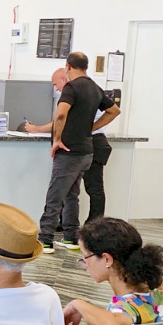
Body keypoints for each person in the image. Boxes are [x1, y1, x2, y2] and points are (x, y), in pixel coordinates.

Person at [35, 52, 120, 253]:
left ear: (68, 66)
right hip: (86, 152)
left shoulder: (71, 87)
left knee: (55, 196)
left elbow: (61, 114)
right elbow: (114, 110)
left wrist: (57, 139)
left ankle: (45, 240)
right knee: (72, 195)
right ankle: (71, 237)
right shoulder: (94, 88)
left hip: (69, 151)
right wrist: (90, 128)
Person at [26, 68, 114, 223]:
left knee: (87, 189)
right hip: (90, 142)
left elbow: (62, 118)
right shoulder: (91, 89)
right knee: (76, 191)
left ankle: (92, 226)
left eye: (55, 84)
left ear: (64, 79)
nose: (56, 89)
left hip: (91, 143)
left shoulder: (75, 91)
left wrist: (36, 129)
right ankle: (76, 227)